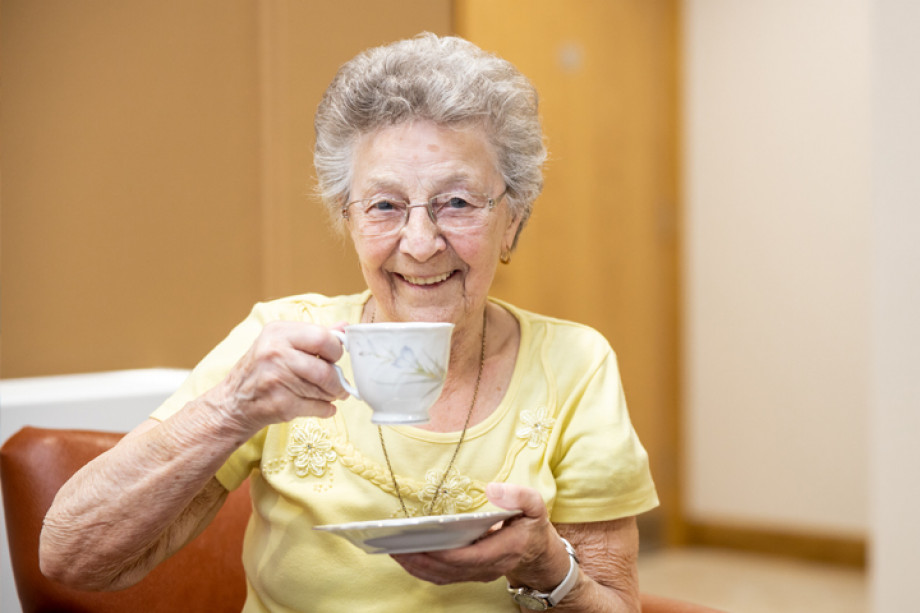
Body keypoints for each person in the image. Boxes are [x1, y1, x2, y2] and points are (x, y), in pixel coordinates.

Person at [40, 33, 658, 612]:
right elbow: (72, 557)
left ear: (513, 222)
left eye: (458, 203)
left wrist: (547, 565)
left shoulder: (576, 363)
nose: (419, 243)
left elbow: (614, 602)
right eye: (385, 205)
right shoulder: (282, 339)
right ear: (349, 219)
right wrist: (231, 409)